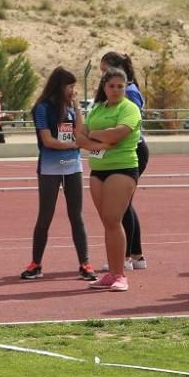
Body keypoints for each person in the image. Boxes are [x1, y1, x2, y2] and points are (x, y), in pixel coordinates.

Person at [20, 67, 94, 281]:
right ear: (59, 86)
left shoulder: (70, 107)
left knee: (76, 216)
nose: (73, 90)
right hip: (50, 167)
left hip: (72, 166)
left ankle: (85, 263)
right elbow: (48, 140)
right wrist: (73, 144)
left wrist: (78, 109)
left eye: (74, 86)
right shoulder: (42, 108)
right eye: (69, 86)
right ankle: (36, 263)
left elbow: (79, 132)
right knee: (45, 216)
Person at [75, 67, 141, 292]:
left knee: (113, 219)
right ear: (104, 87)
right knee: (107, 222)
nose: (115, 90)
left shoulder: (129, 108)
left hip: (122, 167)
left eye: (120, 86)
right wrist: (99, 142)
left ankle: (121, 274)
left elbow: (118, 133)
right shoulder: (97, 109)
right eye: (111, 86)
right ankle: (112, 273)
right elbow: (80, 137)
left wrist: (96, 135)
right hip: (98, 169)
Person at [99, 51, 148, 273]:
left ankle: (126, 256)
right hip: (119, 149)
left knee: (119, 207)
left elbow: (127, 126)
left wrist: (101, 135)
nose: (102, 77)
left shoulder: (129, 93)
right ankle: (136, 254)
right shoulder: (122, 92)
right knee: (125, 205)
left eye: (104, 71)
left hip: (130, 150)